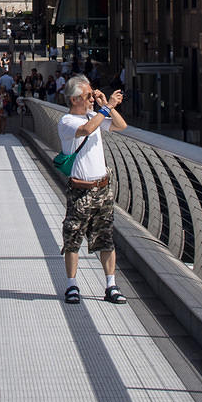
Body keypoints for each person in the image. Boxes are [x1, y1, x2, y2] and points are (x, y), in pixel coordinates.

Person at [57, 76, 127, 306]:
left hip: (102, 188)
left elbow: (120, 126)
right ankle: (71, 284)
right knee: (73, 238)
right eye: (88, 95)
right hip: (80, 190)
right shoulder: (67, 121)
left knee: (106, 239)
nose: (91, 98)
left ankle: (111, 284)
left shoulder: (94, 115)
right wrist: (106, 108)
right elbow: (87, 130)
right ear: (74, 98)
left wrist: (106, 105)